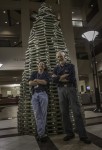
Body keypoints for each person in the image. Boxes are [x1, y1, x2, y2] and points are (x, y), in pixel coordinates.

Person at [52, 51, 91, 144]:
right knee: (64, 113)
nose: (59, 57)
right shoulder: (56, 68)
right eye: (58, 56)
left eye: (61, 56)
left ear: (64, 56)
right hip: (61, 91)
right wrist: (62, 77)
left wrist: (58, 78)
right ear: (56, 58)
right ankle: (69, 133)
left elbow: (72, 78)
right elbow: (54, 80)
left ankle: (83, 136)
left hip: (71, 89)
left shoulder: (70, 66)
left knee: (76, 112)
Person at [29, 61, 49, 142]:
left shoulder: (46, 74)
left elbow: (45, 82)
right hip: (34, 95)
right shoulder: (34, 73)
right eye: (40, 64)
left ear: (44, 67)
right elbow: (30, 83)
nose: (41, 65)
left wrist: (36, 80)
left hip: (43, 94)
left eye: (43, 64)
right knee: (37, 114)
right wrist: (39, 81)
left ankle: (41, 134)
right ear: (37, 66)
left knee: (43, 114)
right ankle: (41, 133)